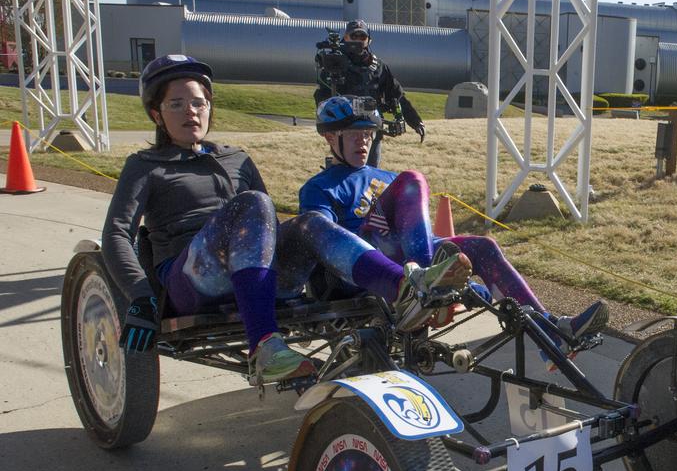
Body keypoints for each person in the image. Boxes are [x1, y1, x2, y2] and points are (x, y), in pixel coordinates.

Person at [103, 56, 469, 385]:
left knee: (308, 222)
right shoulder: (145, 167)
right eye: (176, 104)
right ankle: (264, 347)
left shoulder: (237, 159)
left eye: (199, 102)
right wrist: (139, 296)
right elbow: (117, 234)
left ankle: (405, 287)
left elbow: (268, 229)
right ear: (157, 114)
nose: (191, 113)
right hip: (193, 278)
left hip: (255, 271)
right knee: (253, 203)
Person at [299, 95, 609, 358]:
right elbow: (321, 243)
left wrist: (454, 262)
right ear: (330, 137)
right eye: (353, 135)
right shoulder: (320, 188)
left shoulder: (385, 177)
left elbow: (416, 230)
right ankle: (426, 281)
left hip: (405, 257)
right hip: (363, 264)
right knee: (413, 179)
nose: (363, 141)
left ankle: (554, 334)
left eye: (368, 134)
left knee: (483, 247)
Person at [314, 19, 424, 168]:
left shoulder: (378, 66)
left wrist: (415, 121)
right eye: (354, 36)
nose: (358, 40)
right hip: (344, 131)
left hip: (372, 130)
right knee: (342, 173)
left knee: (369, 175)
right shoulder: (334, 63)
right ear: (345, 37)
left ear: (369, 40)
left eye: (362, 37)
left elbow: (396, 95)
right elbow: (322, 97)